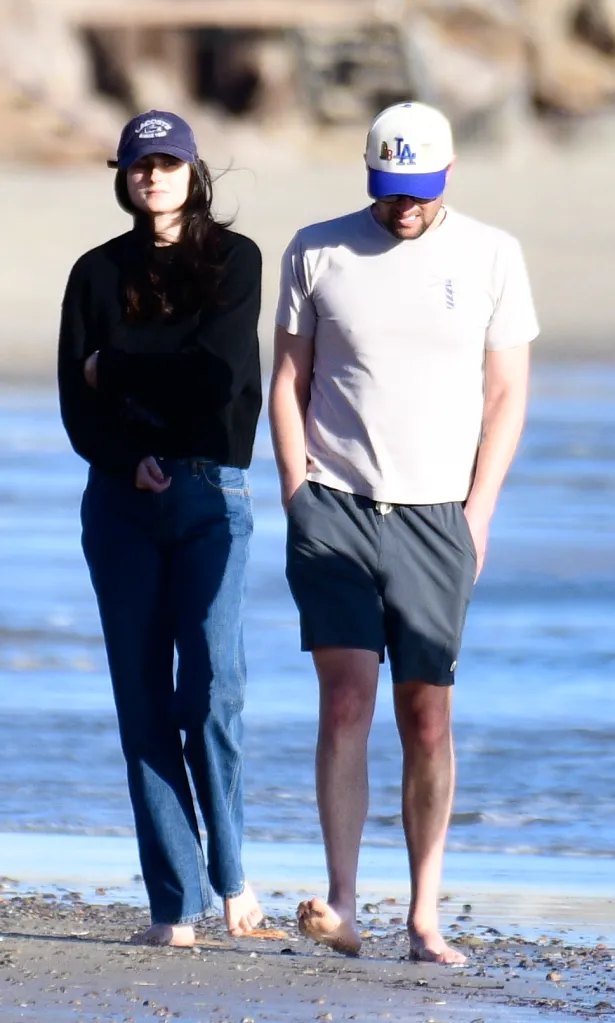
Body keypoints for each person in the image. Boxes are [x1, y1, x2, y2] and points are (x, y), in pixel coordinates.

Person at [269, 101, 538, 963]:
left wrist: (477, 511)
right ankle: (343, 900)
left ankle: (423, 916)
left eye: (419, 191)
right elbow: (287, 378)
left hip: (437, 517)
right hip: (336, 506)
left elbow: (504, 396)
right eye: (390, 191)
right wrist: (294, 488)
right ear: (368, 176)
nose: (404, 207)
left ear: (448, 175)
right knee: (344, 699)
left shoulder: (493, 255)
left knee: (426, 717)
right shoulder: (317, 248)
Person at [58, 110, 263, 946]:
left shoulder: (233, 261)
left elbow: (214, 379)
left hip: (212, 491)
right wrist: (121, 455)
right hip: (120, 502)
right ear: (125, 174)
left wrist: (122, 369)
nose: (154, 176)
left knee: (212, 688)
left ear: (193, 171)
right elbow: (77, 398)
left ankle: (234, 880)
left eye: (168, 163)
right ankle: (172, 906)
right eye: (141, 164)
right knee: (142, 700)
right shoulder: (95, 271)